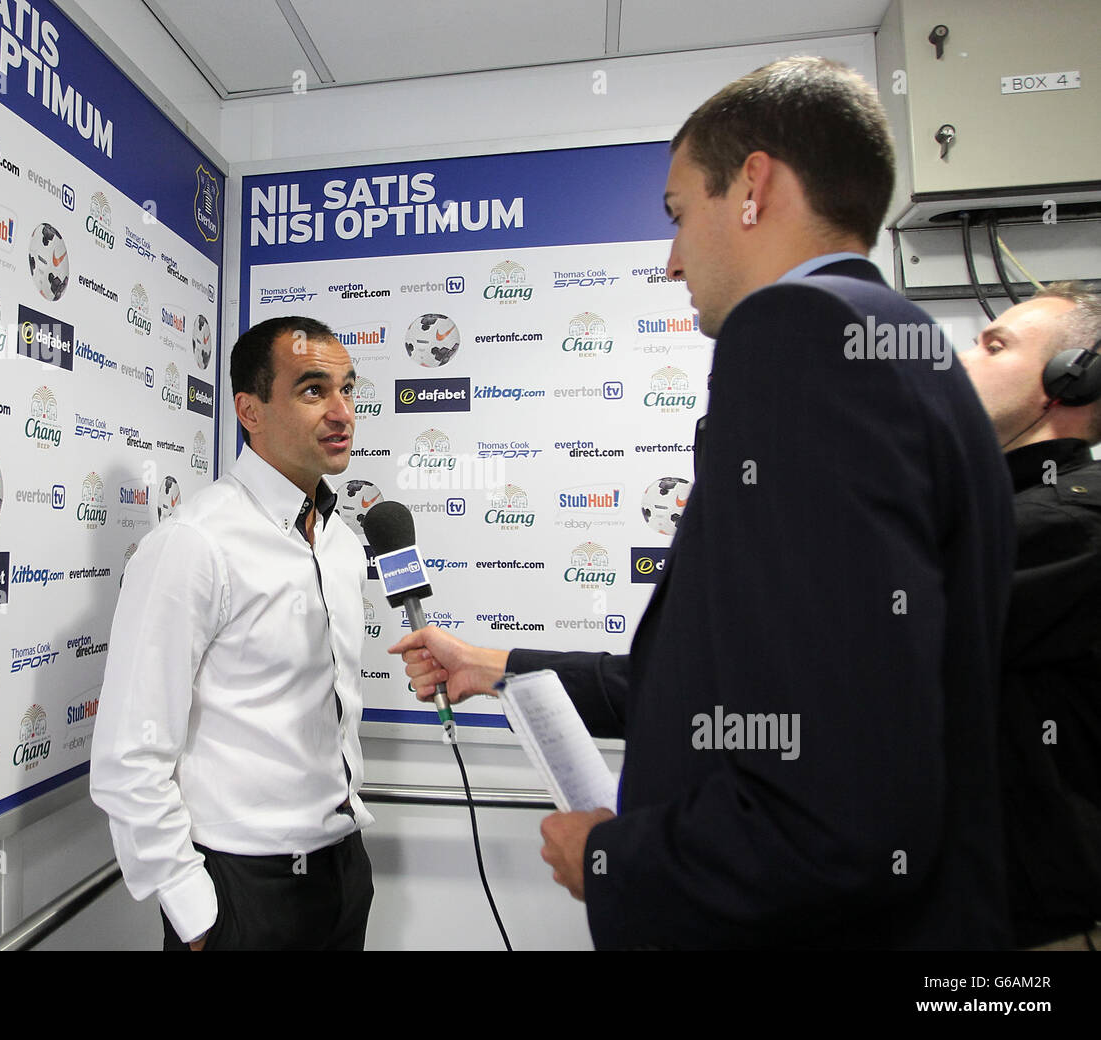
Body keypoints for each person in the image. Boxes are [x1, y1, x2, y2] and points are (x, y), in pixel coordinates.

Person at [391, 57, 1016, 948]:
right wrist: (495, 664)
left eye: (681, 214)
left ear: (754, 186)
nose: (674, 259)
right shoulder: (911, 352)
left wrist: (619, 861)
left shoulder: (798, 336)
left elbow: (831, 807)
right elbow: (744, 691)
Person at [90, 315, 374, 950]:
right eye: (312, 390)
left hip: (343, 870)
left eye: (348, 390)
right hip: (242, 892)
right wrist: (197, 915)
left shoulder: (342, 544)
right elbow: (128, 756)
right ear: (250, 410)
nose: (341, 412)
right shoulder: (193, 544)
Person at [959, 283, 1101, 950]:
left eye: (995, 345)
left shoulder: (1072, 523)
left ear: (1072, 381)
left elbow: (839, 651)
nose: (962, 357)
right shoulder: (995, 515)